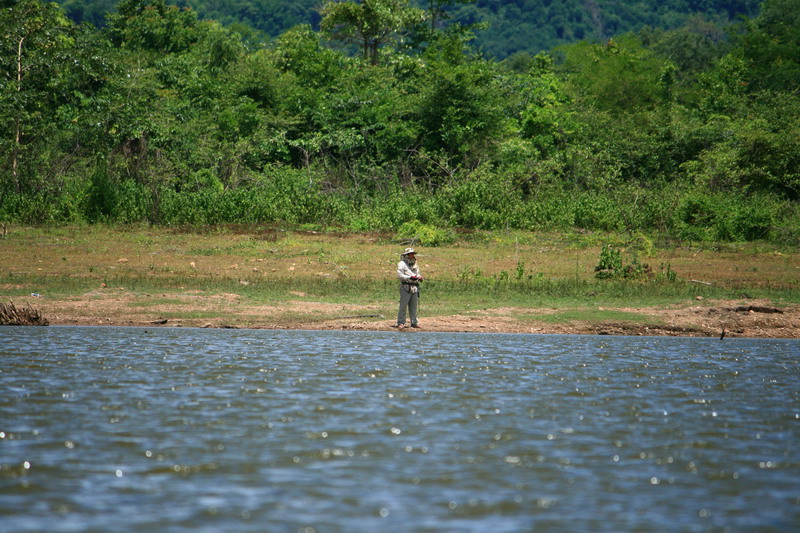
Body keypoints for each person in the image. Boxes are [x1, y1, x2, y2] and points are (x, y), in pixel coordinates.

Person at [394, 247, 423, 329]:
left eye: (413, 254)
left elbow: (418, 273)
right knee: (403, 306)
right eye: (411, 254)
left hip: (415, 287)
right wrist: (409, 277)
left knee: (414, 306)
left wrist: (419, 277)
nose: (412, 255)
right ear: (406, 255)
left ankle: (414, 323)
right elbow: (400, 275)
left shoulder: (415, 263)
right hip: (405, 287)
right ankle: (401, 322)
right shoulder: (401, 264)